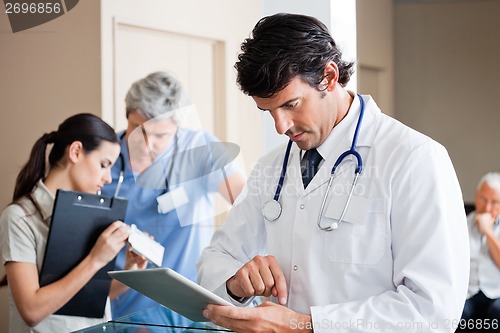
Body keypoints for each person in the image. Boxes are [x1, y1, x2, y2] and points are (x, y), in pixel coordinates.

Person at [196, 13, 470, 333]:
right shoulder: (272, 167)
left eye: (291, 105)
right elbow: (213, 261)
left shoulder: (415, 159)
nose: (280, 127)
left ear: (328, 76)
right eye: (268, 112)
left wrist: (304, 325)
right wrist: (236, 281)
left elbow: (435, 311)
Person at [101, 71, 246, 318]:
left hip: (186, 306)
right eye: (138, 129)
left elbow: (247, 204)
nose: (147, 145)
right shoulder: (105, 158)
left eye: (160, 135)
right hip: (121, 307)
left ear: (177, 128)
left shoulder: (199, 150)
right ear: (126, 117)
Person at [0, 113, 147, 333]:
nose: (108, 178)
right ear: (76, 152)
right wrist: (96, 259)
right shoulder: (19, 218)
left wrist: (131, 271)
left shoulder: (92, 216)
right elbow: (31, 311)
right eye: (104, 164)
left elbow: (90, 296)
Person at [461, 172, 500, 330]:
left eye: (495, 202)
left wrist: (488, 232)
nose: (487, 207)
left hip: (496, 292)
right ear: (476, 196)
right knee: (456, 312)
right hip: (468, 292)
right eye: (483, 199)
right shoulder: (461, 223)